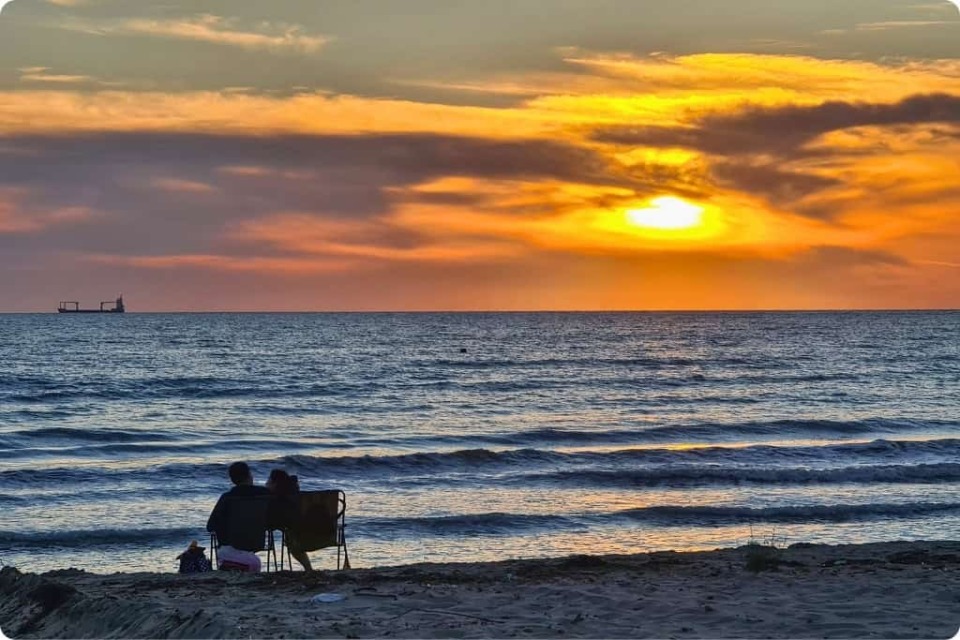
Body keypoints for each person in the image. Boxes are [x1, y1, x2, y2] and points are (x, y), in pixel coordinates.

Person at [206, 461, 271, 572]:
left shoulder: (227, 497)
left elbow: (210, 526)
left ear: (232, 480)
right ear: (249, 475)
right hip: (257, 541)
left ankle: (232, 564)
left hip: (232, 542)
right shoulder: (264, 494)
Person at [266, 468, 313, 571]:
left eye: (268, 480)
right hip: (316, 532)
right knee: (291, 537)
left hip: (292, 531)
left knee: (290, 538)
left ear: (274, 483)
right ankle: (308, 568)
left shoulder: (276, 500)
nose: (266, 483)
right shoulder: (297, 496)